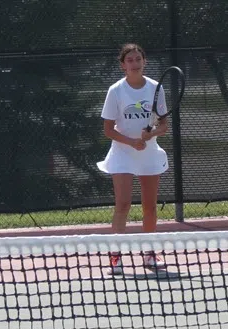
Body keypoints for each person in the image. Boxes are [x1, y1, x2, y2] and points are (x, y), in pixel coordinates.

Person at [97, 43, 169, 275]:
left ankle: (149, 254)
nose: (135, 64)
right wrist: (131, 142)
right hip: (122, 154)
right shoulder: (116, 91)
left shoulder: (156, 89)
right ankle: (116, 256)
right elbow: (108, 129)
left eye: (138, 59)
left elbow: (164, 125)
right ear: (123, 66)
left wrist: (151, 134)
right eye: (130, 60)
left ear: (144, 62)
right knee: (124, 203)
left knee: (149, 206)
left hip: (149, 153)